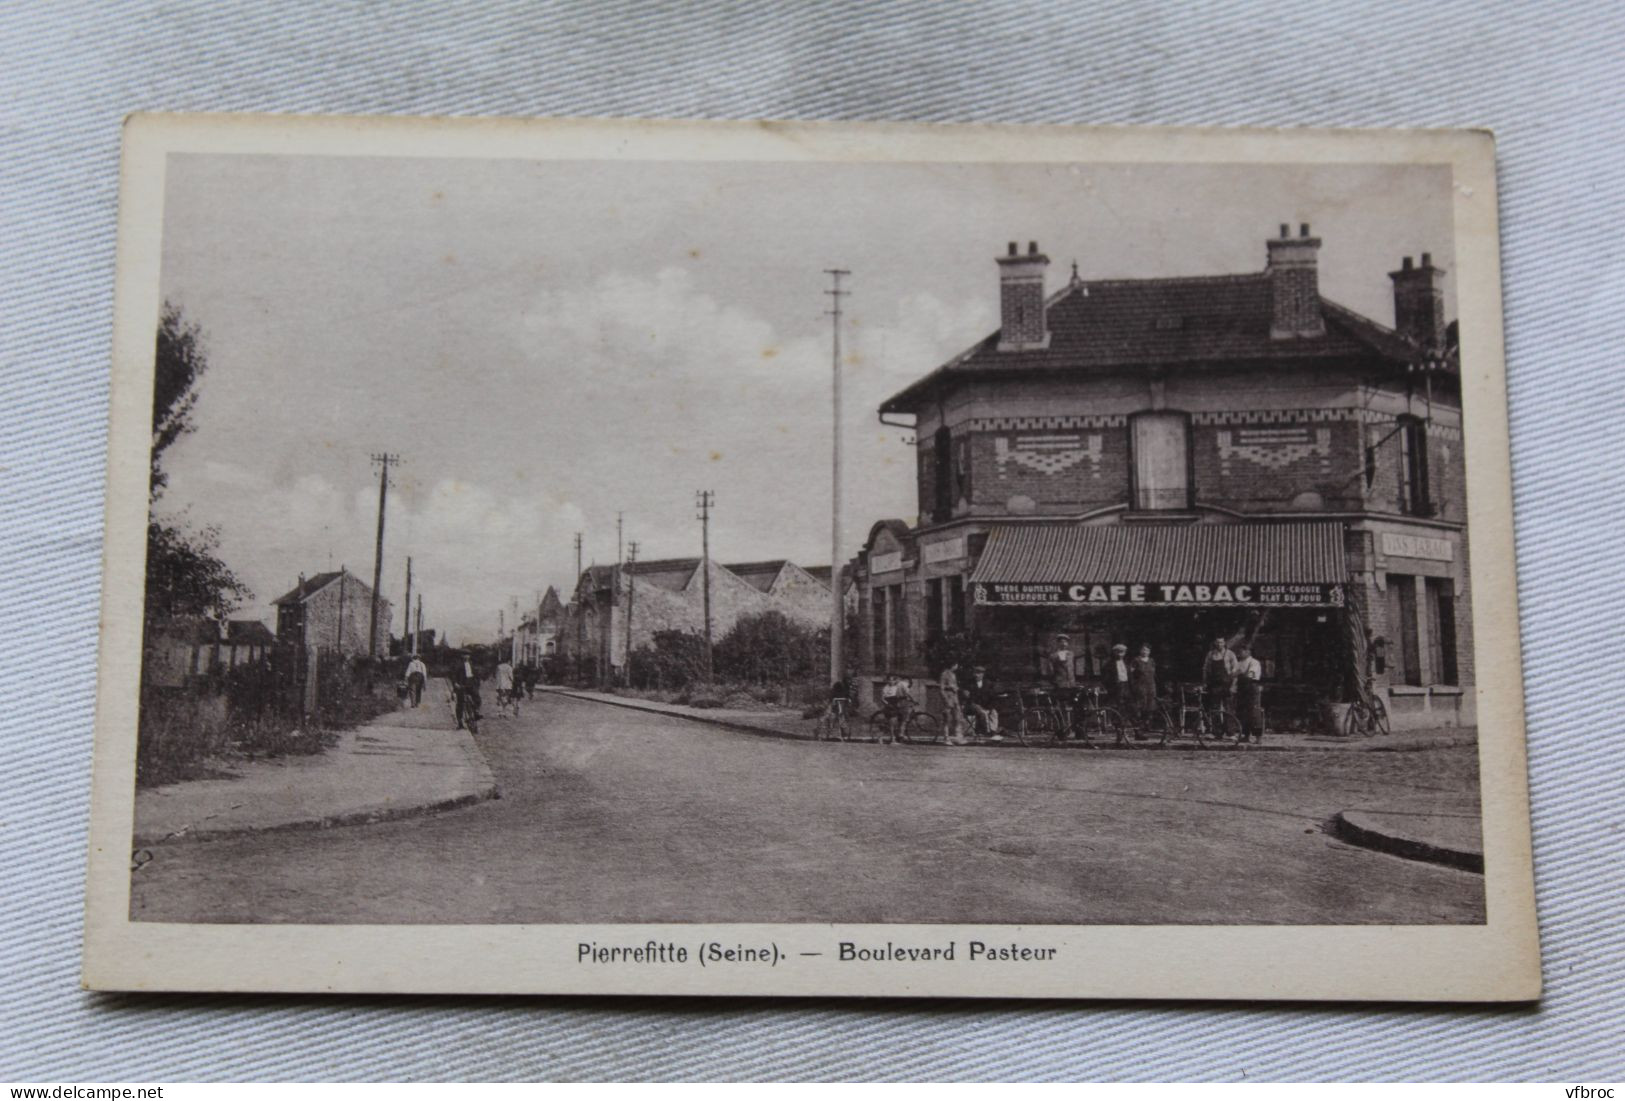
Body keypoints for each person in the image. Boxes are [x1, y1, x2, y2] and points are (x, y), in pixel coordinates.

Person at [964, 665, 1003, 742]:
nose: (976, 675)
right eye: (975, 673)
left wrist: (990, 707)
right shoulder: (969, 683)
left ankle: (993, 731)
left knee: (994, 712)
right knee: (983, 713)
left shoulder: (988, 683)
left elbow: (991, 696)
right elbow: (968, 697)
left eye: (979, 673)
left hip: (984, 706)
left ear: (983, 674)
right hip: (972, 705)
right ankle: (989, 733)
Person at [1234, 643, 1264, 742]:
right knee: (1243, 712)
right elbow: (1233, 675)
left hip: (1252, 687)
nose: (1240, 653)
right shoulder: (1239, 663)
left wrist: (1240, 674)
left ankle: (1258, 737)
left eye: (1242, 651)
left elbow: (1251, 675)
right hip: (1242, 688)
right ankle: (1245, 735)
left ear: (1248, 652)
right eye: (1239, 652)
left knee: (1254, 712)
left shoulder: (1254, 662)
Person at [1202, 634, 1238, 717]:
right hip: (1214, 684)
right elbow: (1205, 669)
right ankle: (1216, 728)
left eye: (1221, 642)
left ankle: (1229, 728)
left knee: (1228, 707)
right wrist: (1204, 682)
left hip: (1226, 684)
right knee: (1214, 707)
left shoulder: (1230, 654)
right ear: (1215, 643)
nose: (1219, 644)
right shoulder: (1210, 654)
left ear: (1224, 643)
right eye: (1217, 642)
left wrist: (1233, 685)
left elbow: (1235, 670)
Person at [449, 650, 483, 728]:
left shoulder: (472, 665)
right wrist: (455, 683)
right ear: (462, 656)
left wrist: (477, 683)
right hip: (461, 685)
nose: (466, 656)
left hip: (471, 684)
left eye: (468, 655)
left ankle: (476, 712)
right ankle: (460, 722)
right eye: (464, 655)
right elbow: (453, 675)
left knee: (477, 698)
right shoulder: (458, 665)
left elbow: (477, 675)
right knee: (460, 703)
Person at [939, 659, 966, 745]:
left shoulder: (953, 674)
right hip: (948, 698)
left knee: (958, 718)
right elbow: (941, 688)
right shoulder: (944, 674)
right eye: (956, 665)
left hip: (955, 698)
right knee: (947, 719)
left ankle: (958, 737)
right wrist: (945, 700)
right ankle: (946, 738)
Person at [1128, 644, 1158, 721]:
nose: (1145, 652)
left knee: (1150, 704)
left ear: (1149, 652)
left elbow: (1154, 673)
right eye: (1143, 650)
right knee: (1141, 704)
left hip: (1151, 686)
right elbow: (1131, 673)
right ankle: (1139, 723)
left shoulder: (1151, 661)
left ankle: (1148, 722)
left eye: (1147, 650)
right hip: (1140, 685)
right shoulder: (1136, 660)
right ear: (1140, 650)